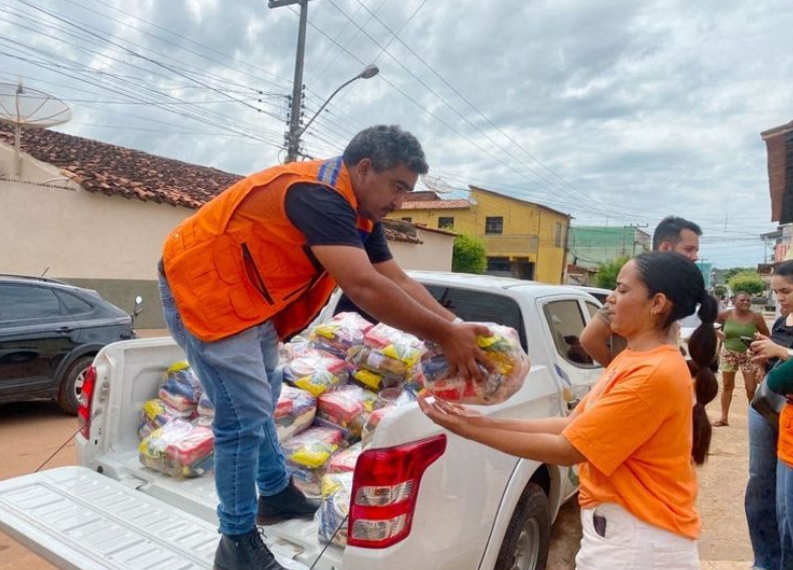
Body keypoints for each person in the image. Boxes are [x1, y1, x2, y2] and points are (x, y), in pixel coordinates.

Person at [158, 125, 490, 570]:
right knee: (242, 417)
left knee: (266, 395)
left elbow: (396, 278)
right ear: (365, 168)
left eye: (407, 191)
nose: (400, 201)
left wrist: (456, 326)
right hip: (206, 289)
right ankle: (235, 542)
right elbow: (363, 285)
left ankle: (274, 493)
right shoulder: (317, 196)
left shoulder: (360, 213)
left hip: (250, 298)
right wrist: (444, 336)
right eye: (397, 187)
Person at [420, 252, 718, 570]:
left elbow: (569, 450)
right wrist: (484, 421)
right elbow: (571, 425)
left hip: (639, 543)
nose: (611, 300)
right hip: (624, 535)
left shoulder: (654, 373)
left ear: (657, 303)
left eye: (622, 290)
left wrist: (471, 431)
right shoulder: (633, 360)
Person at [580, 216, 703, 367]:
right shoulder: (638, 291)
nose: (695, 257)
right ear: (665, 248)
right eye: (689, 249)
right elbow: (589, 338)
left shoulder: (670, 290)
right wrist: (616, 371)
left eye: (696, 251)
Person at [746, 260, 793, 570]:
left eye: (786, 291)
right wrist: (763, 358)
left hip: (786, 410)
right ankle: (765, 559)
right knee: (761, 485)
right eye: (776, 293)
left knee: (785, 497)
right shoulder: (783, 321)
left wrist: (781, 352)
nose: (781, 298)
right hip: (767, 406)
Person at [712, 291, 770, 426]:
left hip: (749, 354)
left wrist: (762, 362)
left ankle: (754, 419)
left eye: (748, 300)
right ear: (734, 301)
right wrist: (718, 333)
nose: (746, 302)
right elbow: (711, 324)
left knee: (750, 388)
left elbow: (767, 336)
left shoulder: (756, 317)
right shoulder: (726, 315)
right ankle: (724, 417)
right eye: (742, 300)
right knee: (727, 386)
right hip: (729, 353)